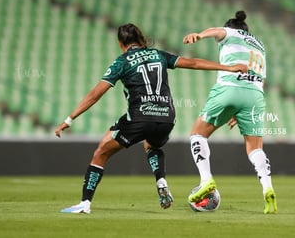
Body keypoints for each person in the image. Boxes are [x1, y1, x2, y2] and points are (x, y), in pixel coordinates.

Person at [55, 23, 248, 214]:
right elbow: (193, 63)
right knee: (151, 144)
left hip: (140, 117)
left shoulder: (122, 61)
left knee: (101, 153)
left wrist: (70, 119)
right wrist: (229, 68)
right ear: (140, 39)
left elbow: (96, 94)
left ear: (120, 42)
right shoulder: (159, 54)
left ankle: (85, 204)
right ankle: (161, 181)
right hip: (167, 118)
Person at [182, 11, 278, 214]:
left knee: (197, 134)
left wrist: (199, 35)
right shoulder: (260, 46)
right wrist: (240, 107)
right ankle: (267, 188)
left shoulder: (232, 32)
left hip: (229, 87)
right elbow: (262, 79)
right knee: (255, 148)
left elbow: (216, 31)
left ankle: (206, 180)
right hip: (255, 95)